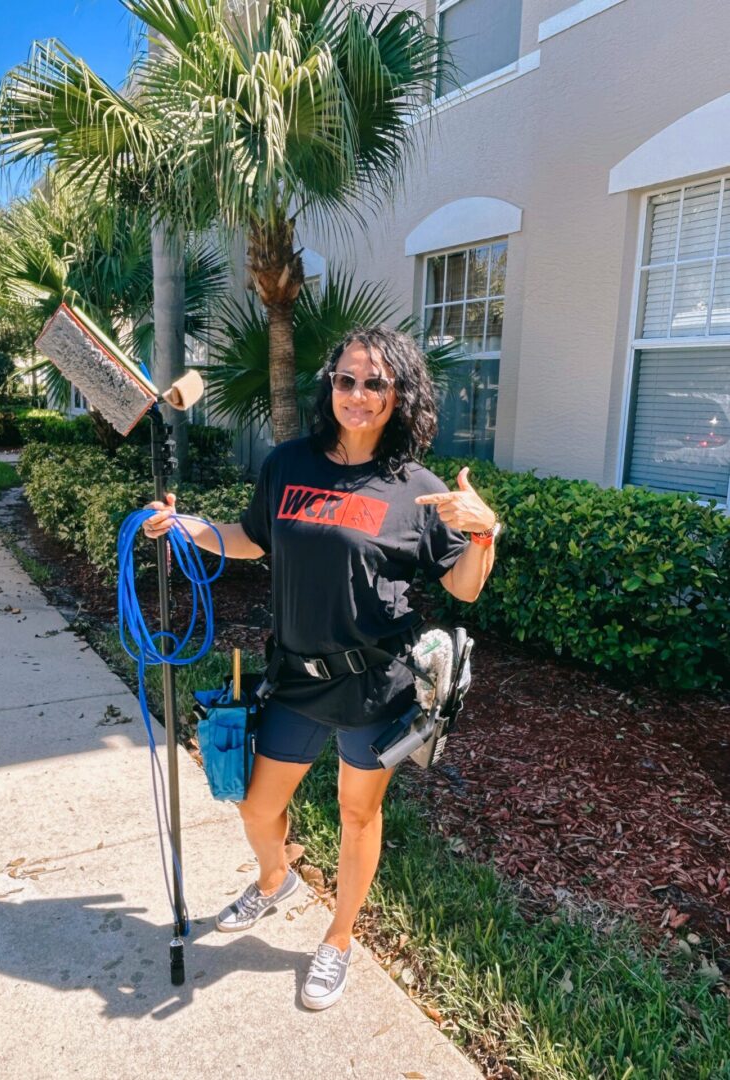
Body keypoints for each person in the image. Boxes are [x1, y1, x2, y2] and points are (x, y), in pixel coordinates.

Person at [142, 325, 499, 1010]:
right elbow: (252, 538)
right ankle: (275, 880)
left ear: (400, 394)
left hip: (374, 685)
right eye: (345, 379)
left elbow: (463, 587)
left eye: (375, 383)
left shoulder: (416, 488)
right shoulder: (289, 463)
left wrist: (484, 531)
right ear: (328, 385)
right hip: (296, 678)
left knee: (356, 816)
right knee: (256, 806)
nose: (357, 394)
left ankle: (336, 941)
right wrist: (190, 528)